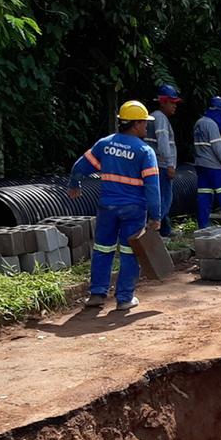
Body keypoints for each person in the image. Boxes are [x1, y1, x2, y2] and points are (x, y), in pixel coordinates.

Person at [69, 100, 160, 311]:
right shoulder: (145, 151)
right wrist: (156, 216)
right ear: (135, 124)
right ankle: (124, 298)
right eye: (144, 123)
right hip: (134, 209)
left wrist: (75, 184)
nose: (146, 127)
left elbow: (79, 167)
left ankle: (97, 294)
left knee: (102, 249)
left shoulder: (104, 144)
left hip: (107, 207)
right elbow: (152, 188)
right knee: (129, 252)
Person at [193, 96, 221, 229]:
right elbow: (218, 148)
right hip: (214, 166)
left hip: (200, 165)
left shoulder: (199, 123)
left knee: (204, 194)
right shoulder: (211, 125)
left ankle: (203, 225)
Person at [148, 83, 181, 238]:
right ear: (163, 102)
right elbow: (163, 142)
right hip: (161, 166)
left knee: (161, 198)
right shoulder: (160, 118)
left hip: (156, 165)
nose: (175, 106)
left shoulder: (155, 117)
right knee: (163, 199)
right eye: (172, 102)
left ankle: (165, 230)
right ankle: (155, 232)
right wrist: (169, 164)